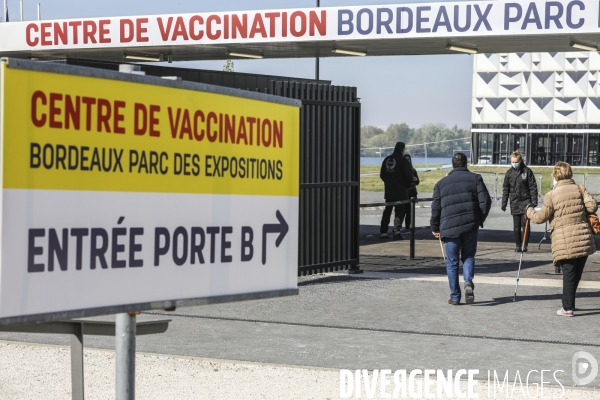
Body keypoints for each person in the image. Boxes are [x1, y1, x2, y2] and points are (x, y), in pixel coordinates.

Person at [526, 162, 597, 317]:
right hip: (583, 238)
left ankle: (567, 307)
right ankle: (569, 303)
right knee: (576, 274)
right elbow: (592, 206)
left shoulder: (551, 195)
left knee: (568, 274)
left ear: (555, 175)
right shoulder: (580, 188)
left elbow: (540, 217)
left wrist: (529, 211)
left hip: (565, 241)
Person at [430, 153, 492, 305]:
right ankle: (468, 282)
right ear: (466, 164)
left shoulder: (440, 184)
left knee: (452, 263)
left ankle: (455, 297)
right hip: (470, 225)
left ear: (452, 165)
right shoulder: (476, 179)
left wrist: (435, 226)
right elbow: (486, 202)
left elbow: (436, 208)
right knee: (468, 256)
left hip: (449, 228)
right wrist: (479, 219)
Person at [501, 150, 538, 252]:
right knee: (516, 226)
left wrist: (534, 202)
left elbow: (533, 187)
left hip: (526, 202)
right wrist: (504, 203)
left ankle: (524, 245)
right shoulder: (509, 173)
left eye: (516, 162)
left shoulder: (527, 171)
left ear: (521, 160)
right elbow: (506, 189)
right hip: (514, 202)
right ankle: (518, 245)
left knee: (525, 224)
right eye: (513, 162)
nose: (514, 164)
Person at [380, 142, 413, 239]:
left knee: (387, 211)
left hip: (389, 190)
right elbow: (408, 176)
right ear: (403, 149)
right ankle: (396, 231)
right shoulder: (403, 161)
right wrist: (407, 186)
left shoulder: (387, 159)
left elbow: (382, 175)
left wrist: (389, 183)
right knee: (399, 212)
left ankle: (383, 231)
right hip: (401, 191)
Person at [402, 154, 420, 231]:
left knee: (410, 212)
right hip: (404, 193)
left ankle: (408, 227)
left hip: (412, 192)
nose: (407, 160)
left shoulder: (413, 170)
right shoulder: (401, 170)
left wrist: (415, 180)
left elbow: (418, 182)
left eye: (408, 159)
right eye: (405, 159)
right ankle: (398, 228)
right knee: (402, 211)